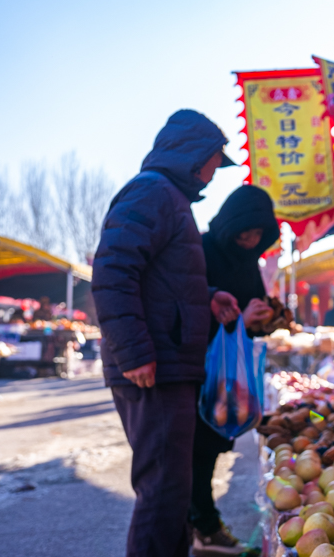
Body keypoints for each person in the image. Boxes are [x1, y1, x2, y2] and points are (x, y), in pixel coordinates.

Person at [92, 109, 242, 557]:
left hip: (168, 365)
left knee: (173, 489)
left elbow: (164, 281)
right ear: (196, 156)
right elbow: (112, 271)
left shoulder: (169, 198)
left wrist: (209, 296)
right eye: (217, 159)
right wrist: (134, 352)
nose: (217, 171)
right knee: (162, 491)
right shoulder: (152, 193)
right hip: (153, 368)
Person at [190, 184, 279, 555]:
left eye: (259, 234)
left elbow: (250, 318)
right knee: (198, 448)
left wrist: (268, 318)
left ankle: (201, 522)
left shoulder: (249, 261)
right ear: (231, 223)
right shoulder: (202, 250)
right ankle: (203, 524)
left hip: (233, 375)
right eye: (246, 231)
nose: (251, 239)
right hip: (200, 369)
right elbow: (195, 307)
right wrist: (242, 317)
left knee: (211, 447)